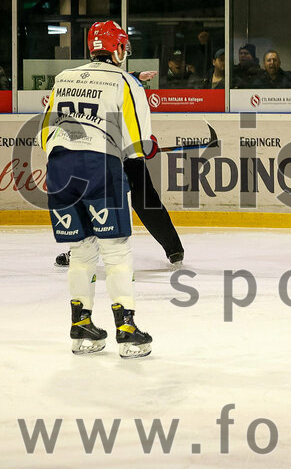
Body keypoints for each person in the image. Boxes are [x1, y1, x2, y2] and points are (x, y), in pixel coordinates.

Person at [40, 20, 155, 359]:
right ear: (118, 48)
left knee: (81, 251)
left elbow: (46, 133)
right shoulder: (125, 81)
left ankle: (81, 326)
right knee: (116, 251)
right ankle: (127, 329)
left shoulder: (63, 78)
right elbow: (138, 144)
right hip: (98, 168)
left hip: (59, 169)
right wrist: (143, 147)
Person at [55, 154, 185, 269]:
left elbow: (140, 132)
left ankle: (174, 249)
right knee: (95, 206)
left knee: (146, 203)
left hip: (131, 161)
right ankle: (81, 252)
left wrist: (144, 142)